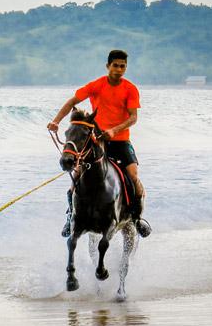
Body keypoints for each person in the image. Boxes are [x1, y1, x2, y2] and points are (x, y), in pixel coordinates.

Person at [47, 49, 151, 237]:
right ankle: (70, 216)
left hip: (121, 141)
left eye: (123, 66)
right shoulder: (96, 85)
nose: (119, 69)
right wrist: (56, 121)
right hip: (97, 142)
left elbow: (133, 118)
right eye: (115, 65)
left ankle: (137, 219)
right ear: (108, 66)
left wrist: (114, 130)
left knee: (133, 175)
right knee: (77, 175)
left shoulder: (130, 89)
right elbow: (72, 101)